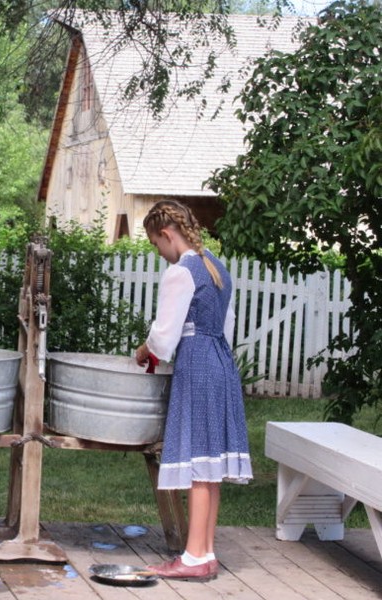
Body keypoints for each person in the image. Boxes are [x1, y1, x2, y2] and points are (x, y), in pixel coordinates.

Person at [135, 200, 252, 581]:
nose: (160, 254)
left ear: (167, 235)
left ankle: (192, 557)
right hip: (221, 362)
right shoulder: (217, 267)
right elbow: (225, 325)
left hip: (198, 365)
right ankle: (205, 551)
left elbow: (164, 337)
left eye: (157, 245)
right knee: (210, 467)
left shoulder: (181, 272)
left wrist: (144, 350)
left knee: (200, 462)